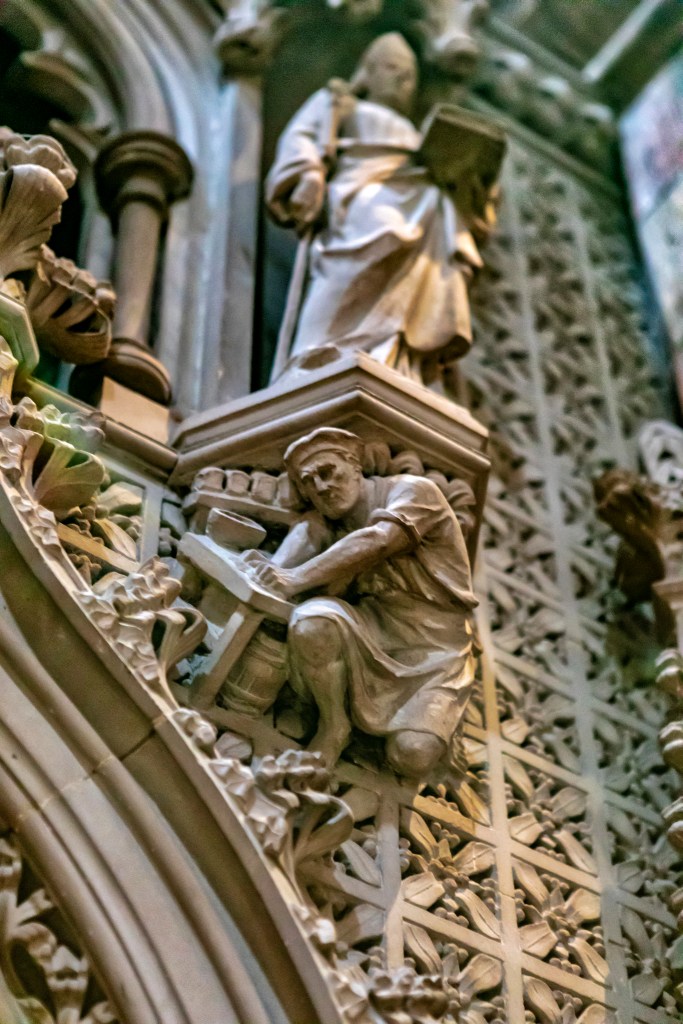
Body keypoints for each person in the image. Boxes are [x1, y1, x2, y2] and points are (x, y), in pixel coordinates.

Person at [234, 427, 478, 778]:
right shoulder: (325, 524)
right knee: (312, 620)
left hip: (436, 650)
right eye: (308, 483)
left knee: (411, 756)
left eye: (327, 472)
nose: (320, 487)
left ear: (354, 465)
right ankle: (334, 727)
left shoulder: (415, 491)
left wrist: (296, 578)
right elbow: (289, 557)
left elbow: (378, 540)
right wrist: (270, 569)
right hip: (373, 632)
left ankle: (439, 724)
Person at [265, 32, 492, 381]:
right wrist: (308, 173)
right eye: (392, 67)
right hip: (362, 203)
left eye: (410, 75)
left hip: (425, 210)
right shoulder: (339, 104)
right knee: (347, 270)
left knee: (412, 293)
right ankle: (313, 357)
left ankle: (395, 367)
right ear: (367, 72)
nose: (402, 79)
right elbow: (301, 137)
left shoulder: (415, 132)